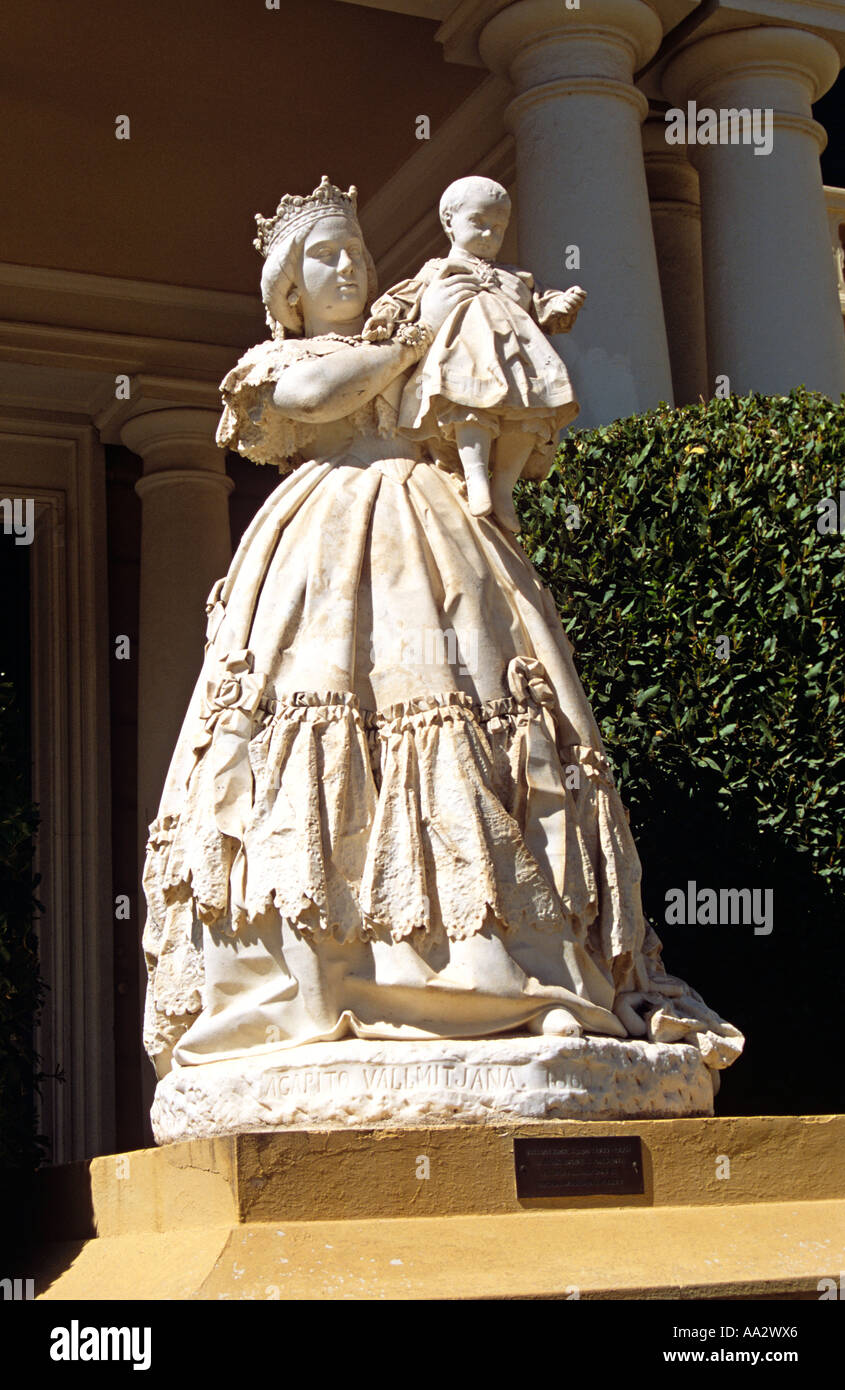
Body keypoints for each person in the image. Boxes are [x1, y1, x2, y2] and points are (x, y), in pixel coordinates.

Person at [141, 178, 742, 1086]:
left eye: (356, 251)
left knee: (479, 709)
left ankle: (501, 961)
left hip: (441, 537)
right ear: (288, 289)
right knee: (320, 729)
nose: (348, 266)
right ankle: (328, 971)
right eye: (325, 256)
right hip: (327, 541)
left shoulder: (412, 323)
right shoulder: (280, 360)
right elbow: (313, 393)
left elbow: (485, 370)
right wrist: (408, 343)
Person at [363, 175, 585, 531]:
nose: (488, 234)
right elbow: (402, 298)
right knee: (469, 409)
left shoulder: (515, 277)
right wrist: (384, 316)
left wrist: (561, 302)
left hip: (517, 361)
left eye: (497, 228)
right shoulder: (439, 271)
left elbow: (545, 306)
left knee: (527, 415)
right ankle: (476, 475)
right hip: (464, 357)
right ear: (449, 222)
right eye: (479, 223)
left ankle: (503, 488)